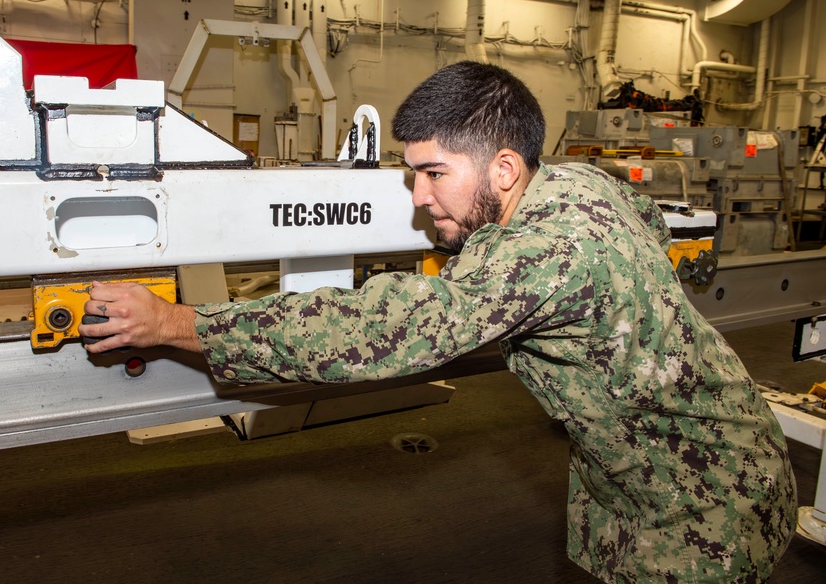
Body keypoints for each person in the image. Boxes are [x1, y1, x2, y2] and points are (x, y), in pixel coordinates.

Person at [80, 61, 797, 582]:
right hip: (645, 468)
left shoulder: (544, 248)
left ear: (505, 169)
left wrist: (180, 324)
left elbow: (389, 328)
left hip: (703, 503)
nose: (420, 199)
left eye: (434, 173)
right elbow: (648, 220)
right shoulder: (576, 180)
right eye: (412, 174)